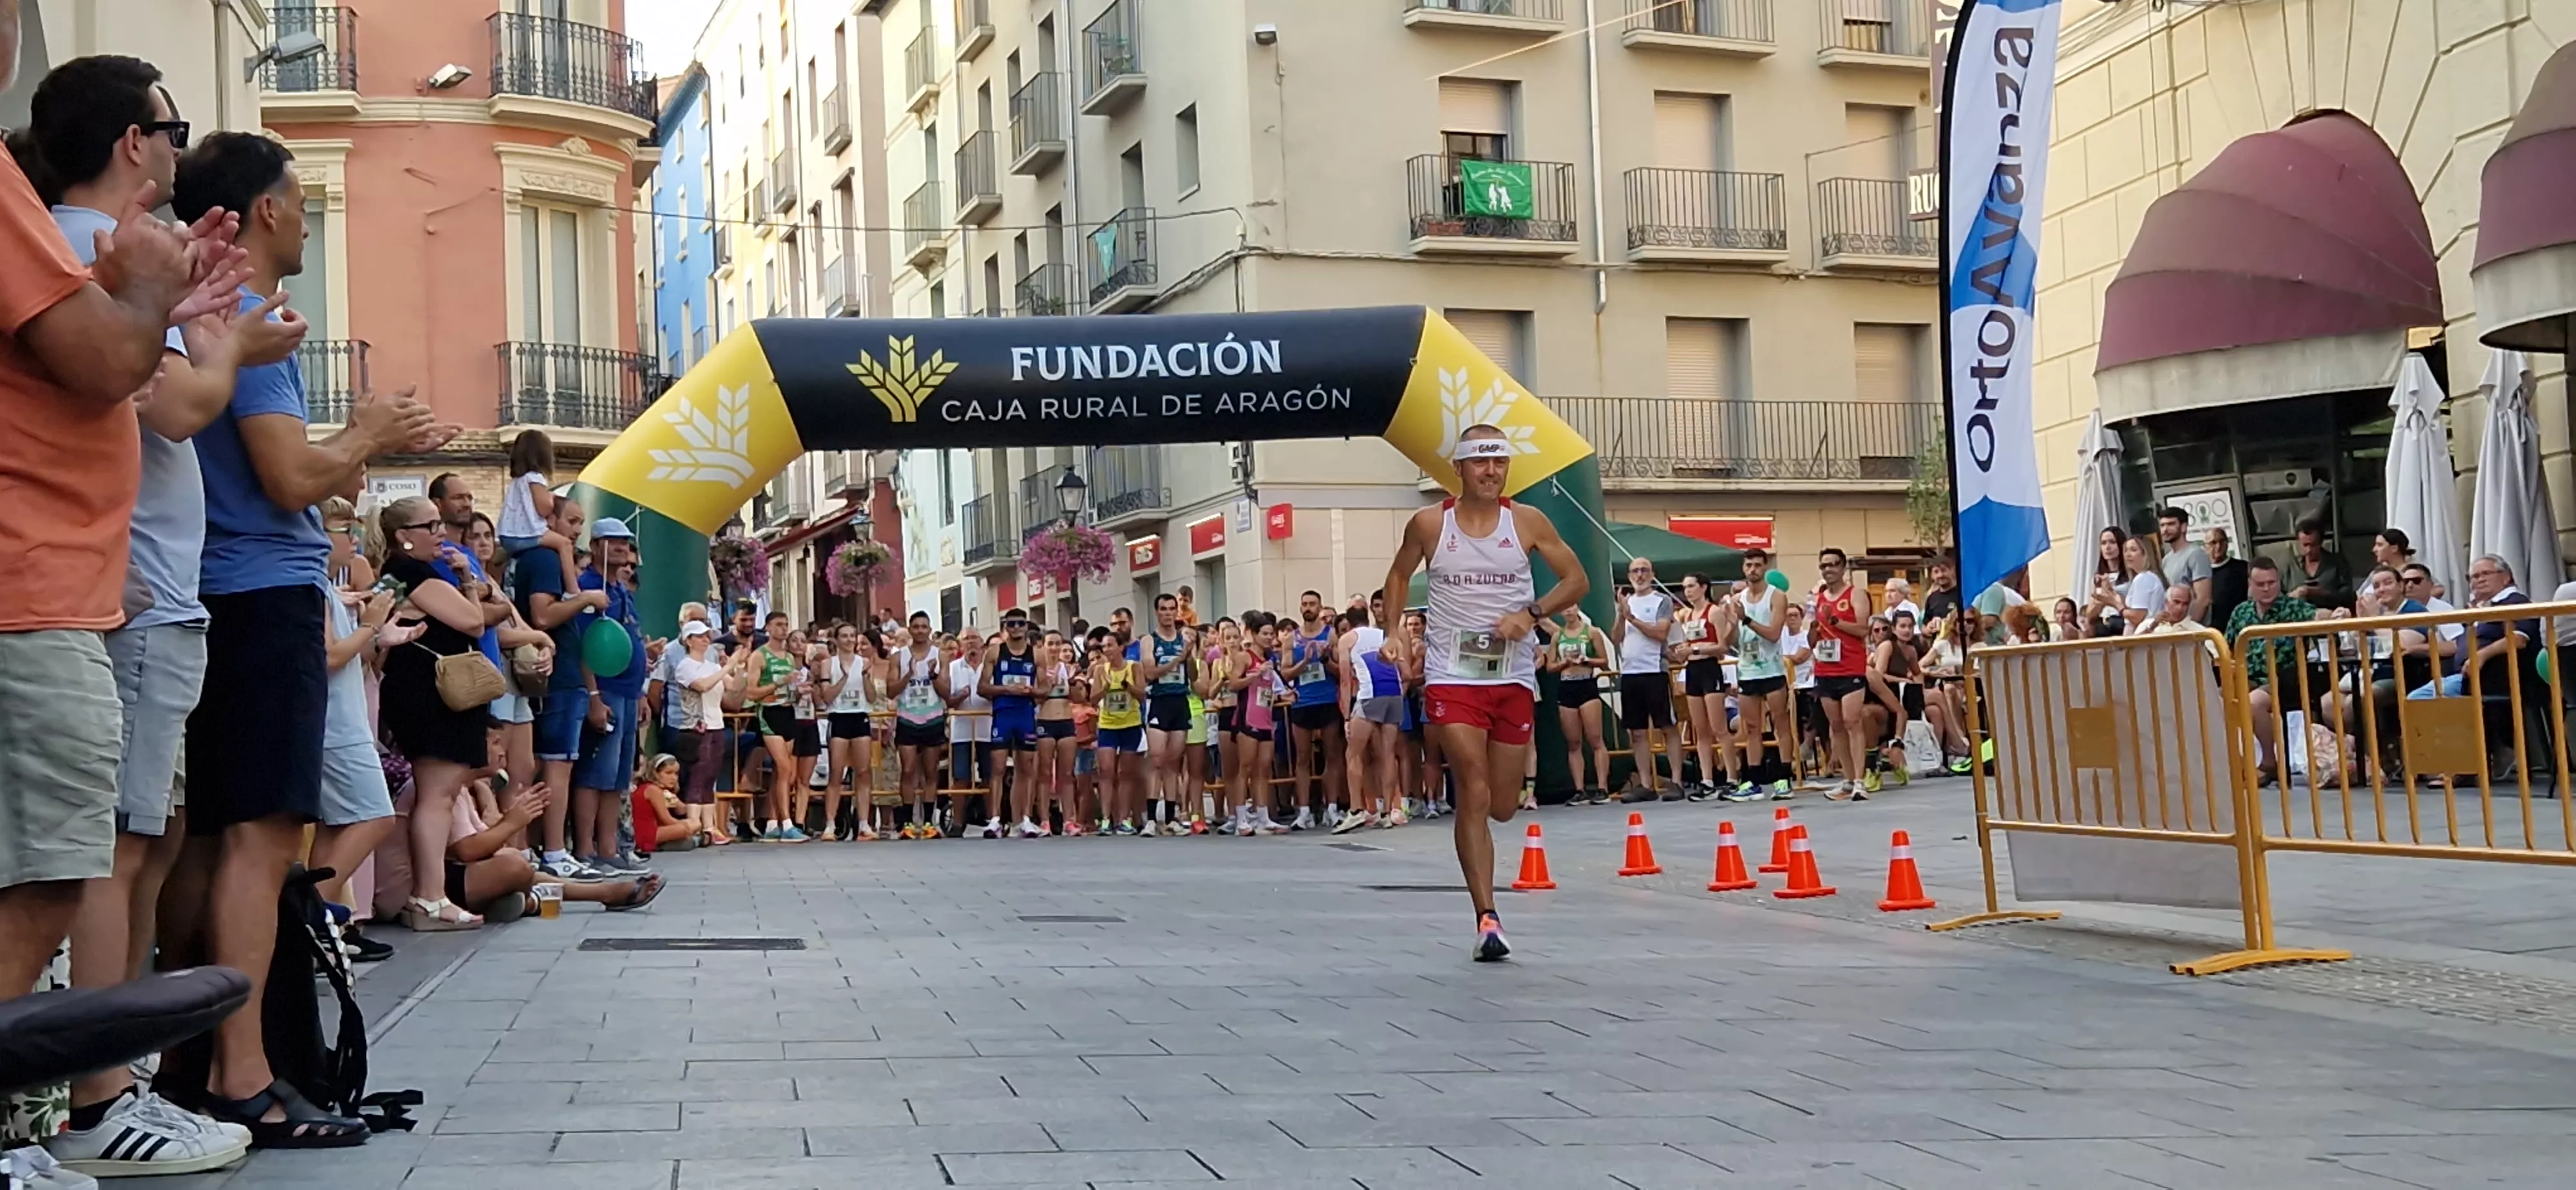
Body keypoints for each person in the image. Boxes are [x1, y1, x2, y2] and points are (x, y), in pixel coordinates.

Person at [17, 53, 298, 1174]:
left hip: (138, 589)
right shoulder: (81, 243)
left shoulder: (96, 249)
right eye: (170, 127)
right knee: (104, 854)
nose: (183, 148)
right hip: (117, 587)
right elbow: (173, 402)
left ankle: (108, 1084)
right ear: (132, 142)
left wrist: (196, 316)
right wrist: (222, 340)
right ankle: (94, 1097)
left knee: (141, 839)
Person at [166, 133, 450, 1150]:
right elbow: (288, 481)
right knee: (256, 838)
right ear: (263, 214)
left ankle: (195, 1062)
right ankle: (242, 1075)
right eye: (294, 197)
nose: (303, 213)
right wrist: (367, 433)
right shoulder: (247, 324)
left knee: (206, 839)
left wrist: (348, 453)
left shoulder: (213, 320)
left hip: (217, 591)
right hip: (257, 593)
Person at [1377, 425, 1587, 962]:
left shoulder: (1527, 522)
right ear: (1460, 470)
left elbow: (1576, 580)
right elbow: (1399, 576)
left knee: (1501, 805)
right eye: (1480, 463)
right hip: (1452, 675)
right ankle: (1487, 916)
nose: (1491, 472)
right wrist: (1396, 630)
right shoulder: (1430, 523)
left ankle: (1489, 879)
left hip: (1511, 678)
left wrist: (1531, 614)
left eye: (1499, 462)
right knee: (1470, 784)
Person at [515, 496, 611, 865]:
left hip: (564, 673)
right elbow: (543, 615)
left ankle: (549, 849)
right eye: (571, 520)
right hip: (557, 676)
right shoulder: (543, 559)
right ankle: (555, 851)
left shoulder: (551, 559)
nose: (576, 530)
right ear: (547, 519)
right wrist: (586, 597)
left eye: (580, 522)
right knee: (557, 764)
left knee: (555, 763)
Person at [573, 519, 650, 872]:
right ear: (596, 546)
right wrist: (593, 696)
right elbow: (584, 648)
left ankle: (609, 849)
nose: (621, 547)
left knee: (617, 777)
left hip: (628, 693)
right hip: (606, 692)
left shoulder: (620, 590)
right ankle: (587, 851)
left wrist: (641, 694)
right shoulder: (589, 587)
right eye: (613, 542)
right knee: (595, 775)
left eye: (625, 542)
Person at [2224, 558, 2319, 776]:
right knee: (2212, 698)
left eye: (2272, 582)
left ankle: (2270, 761)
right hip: (2246, 677)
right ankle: (2236, 762)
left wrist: (2337, 614)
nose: (2267, 588)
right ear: (2250, 584)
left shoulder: (2293, 608)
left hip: (2284, 679)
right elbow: (2227, 646)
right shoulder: (2241, 612)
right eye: (2260, 584)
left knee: (2253, 702)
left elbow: (2318, 616)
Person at [2407, 554, 2535, 701]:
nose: (2479, 580)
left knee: (2418, 700)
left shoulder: (2515, 602)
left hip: (2493, 681)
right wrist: (2415, 648)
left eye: (2486, 574)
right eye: (2474, 577)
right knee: (2414, 699)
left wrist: (2481, 655)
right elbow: (2456, 645)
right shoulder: (2480, 607)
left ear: (2506, 578)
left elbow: (2519, 638)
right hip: (2465, 678)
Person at [1725, 547, 1794, 800]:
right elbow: (1731, 642)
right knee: (1752, 727)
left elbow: (1774, 633)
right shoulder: (1737, 599)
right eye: (1748, 566)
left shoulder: (1776, 597)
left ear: (1765, 567)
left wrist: (1746, 620)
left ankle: (1784, 776)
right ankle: (1752, 779)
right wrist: (1731, 623)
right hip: (1747, 669)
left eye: (1757, 565)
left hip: (1772, 668)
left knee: (1780, 723)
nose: (1753, 570)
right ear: (1743, 569)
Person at [1609, 557, 1679, 802]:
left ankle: (1677, 782)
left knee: (1666, 726)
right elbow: (1616, 638)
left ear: (1652, 574)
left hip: (1654, 670)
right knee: (1637, 731)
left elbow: (1661, 633)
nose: (1639, 575)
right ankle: (1646, 784)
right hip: (1630, 672)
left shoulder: (1662, 601)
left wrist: (1633, 619)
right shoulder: (1626, 603)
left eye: (1644, 571)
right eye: (1635, 571)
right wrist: (1621, 615)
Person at [1809, 548, 1874, 799]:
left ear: (1843, 567)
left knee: (1852, 721)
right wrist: (1815, 628)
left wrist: (1835, 621)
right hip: (1825, 666)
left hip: (1851, 666)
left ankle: (1860, 779)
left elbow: (1862, 630)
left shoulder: (1856, 594)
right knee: (1835, 725)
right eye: (1824, 565)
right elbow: (1812, 637)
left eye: (1834, 564)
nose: (1828, 570)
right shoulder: (1818, 597)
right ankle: (1847, 779)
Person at [1336, 606, 1406, 833]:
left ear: (1348, 623)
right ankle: (1388, 811)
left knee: (1353, 753)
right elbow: (1406, 672)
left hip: (1370, 694)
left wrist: (1346, 716)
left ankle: (1357, 810)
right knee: (1388, 754)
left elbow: (1345, 681)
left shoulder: (1347, 640)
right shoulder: (1384, 635)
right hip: (1394, 692)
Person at [740, 611, 805, 842]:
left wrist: (798, 693)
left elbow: (790, 689)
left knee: (783, 772)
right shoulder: (760, 656)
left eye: (786, 624)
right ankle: (787, 823)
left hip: (788, 711)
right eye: (779, 625)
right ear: (768, 627)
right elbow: (751, 691)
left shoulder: (788, 658)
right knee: (784, 768)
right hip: (769, 713)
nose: (783, 629)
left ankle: (772, 822)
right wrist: (779, 683)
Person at [1134, 594, 1195, 835]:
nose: (1168, 613)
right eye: (1163, 609)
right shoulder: (1149, 640)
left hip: (1180, 700)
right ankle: (1151, 818)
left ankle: (1171, 818)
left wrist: (1189, 657)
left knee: (1173, 763)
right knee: (1157, 759)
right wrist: (1178, 659)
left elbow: (1193, 672)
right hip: (1159, 701)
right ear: (1157, 612)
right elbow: (1150, 672)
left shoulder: (1185, 639)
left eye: (1172, 609)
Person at [981, 611, 1045, 838]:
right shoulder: (995, 652)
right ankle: (995, 819)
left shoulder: (1037, 655)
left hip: (1025, 715)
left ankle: (1026, 819)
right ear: (1005, 627)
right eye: (1012, 624)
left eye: (1020, 624)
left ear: (1026, 626)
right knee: (997, 768)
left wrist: (1032, 692)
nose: (1016, 627)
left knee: (1027, 768)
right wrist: (1007, 689)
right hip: (1003, 714)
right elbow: (982, 687)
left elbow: (1045, 689)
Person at [1672, 572, 1736, 800]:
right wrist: (1682, 651)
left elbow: (1722, 647)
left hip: (1710, 669)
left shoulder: (1714, 612)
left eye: (1691, 586)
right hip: (1693, 670)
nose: (1688, 591)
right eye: (1685, 587)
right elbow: (1689, 644)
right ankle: (1707, 779)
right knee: (1700, 729)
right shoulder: (1687, 615)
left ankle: (1731, 777)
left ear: (1703, 588)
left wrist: (1697, 650)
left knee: (1719, 727)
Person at [1283, 590, 1343, 830]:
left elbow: (1341, 670)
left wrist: (1326, 658)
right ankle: (1305, 811)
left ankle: (1332, 808)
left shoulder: (1331, 635)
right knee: (1302, 758)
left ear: (1320, 608)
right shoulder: (1291, 639)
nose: (1308, 607)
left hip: (1327, 700)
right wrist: (1305, 662)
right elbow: (1285, 673)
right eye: (1305, 604)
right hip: (1302, 702)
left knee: (1332, 756)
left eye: (1313, 604)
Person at [1540, 607, 1613, 804]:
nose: (1568, 612)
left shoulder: (1591, 632)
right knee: (1573, 742)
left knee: (1595, 739)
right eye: (1565, 609)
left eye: (1571, 607)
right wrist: (1565, 663)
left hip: (1587, 684)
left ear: (1578, 608)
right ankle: (1579, 789)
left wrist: (1587, 661)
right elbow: (1550, 666)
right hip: (1567, 686)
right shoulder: (1558, 636)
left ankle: (1602, 787)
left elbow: (1604, 660)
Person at [816, 623, 881, 840]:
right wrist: (844, 678)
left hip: (860, 716)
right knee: (837, 773)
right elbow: (827, 697)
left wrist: (863, 677)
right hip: (839, 717)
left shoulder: (865, 663)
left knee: (863, 772)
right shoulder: (828, 664)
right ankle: (830, 825)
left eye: (852, 636)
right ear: (836, 640)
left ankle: (864, 823)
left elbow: (872, 697)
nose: (849, 640)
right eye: (844, 636)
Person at [497, 430, 580, 595]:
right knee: (564, 545)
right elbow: (544, 508)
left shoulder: (517, 482)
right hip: (528, 533)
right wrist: (551, 499)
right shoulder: (535, 478)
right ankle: (573, 591)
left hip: (508, 535)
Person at [891, 612, 950, 838]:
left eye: (924, 627)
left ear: (929, 629)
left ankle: (927, 822)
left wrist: (934, 675)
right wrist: (908, 675)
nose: (919, 631)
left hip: (933, 717)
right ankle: (907, 822)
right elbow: (891, 690)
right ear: (910, 629)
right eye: (915, 627)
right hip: (907, 717)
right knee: (907, 770)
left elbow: (947, 691)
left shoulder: (940, 656)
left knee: (931, 771)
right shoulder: (899, 657)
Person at [1089, 624, 1146, 834]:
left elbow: (1142, 695)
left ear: (1121, 647)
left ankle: (1125, 818)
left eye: (1111, 645)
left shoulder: (1134, 667)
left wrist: (1126, 686)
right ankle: (1105, 819)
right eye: (1104, 647)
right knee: (1106, 772)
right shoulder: (1099, 670)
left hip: (1130, 724)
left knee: (1126, 773)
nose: (1107, 650)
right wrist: (1104, 689)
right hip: (1108, 725)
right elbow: (1092, 700)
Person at [1033, 628, 1081, 836]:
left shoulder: (1068, 669)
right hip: (1045, 720)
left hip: (1066, 720)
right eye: (1050, 644)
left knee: (1067, 774)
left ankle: (1070, 819)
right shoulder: (1039, 670)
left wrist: (1072, 682)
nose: (1054, 648)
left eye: (1057, 644)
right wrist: (1048, 684)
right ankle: (1045, 820)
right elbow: (1036, 698)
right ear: (1043, 646)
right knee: (1044, 773)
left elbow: (1079, 697)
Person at [2157, 507, 2215, 623]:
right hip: (2174, 628)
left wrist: (2189, 628)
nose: (2165, 529)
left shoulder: (2197, 554)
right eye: (2162, 525)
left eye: (2171, 524)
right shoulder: (2166, 560)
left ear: (2184, 527)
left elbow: (2203, 599)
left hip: (2193, 631)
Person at [632, 755, 696, 855]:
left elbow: (682, 810)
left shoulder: (661, 790)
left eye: (676, 774)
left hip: (655, 829)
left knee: (693, 823)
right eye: (668, 773)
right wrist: (686, 827)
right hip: (647, 834)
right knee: (684, 829)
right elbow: (667, 820)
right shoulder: (653, 790)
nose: (673, 778)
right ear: (656, 773)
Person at [2287, 518, 2354, 610]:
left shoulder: (2337, 564)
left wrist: (2317, 592)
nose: (2309, 550)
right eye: (2305, 545)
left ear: (2321, 542)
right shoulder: (2291, 567)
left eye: (2313, 545)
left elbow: (2347, 597)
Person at [2206, 527, 2250, 629]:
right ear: (2205, 546)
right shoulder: (2201, 573)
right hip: (2213, 632)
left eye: (2222, 541)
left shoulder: (2243, 568)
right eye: (2213, 543)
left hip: (2239, 627)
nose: (2218, 546)